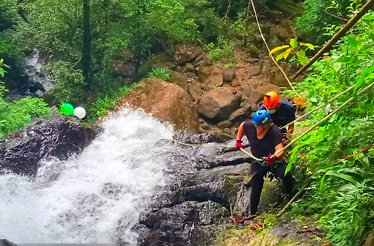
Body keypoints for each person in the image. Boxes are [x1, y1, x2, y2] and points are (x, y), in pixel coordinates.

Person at [235, 109, 294, 219]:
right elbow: (242, 125)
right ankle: (252, 213)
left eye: (259, 126)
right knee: (256, 183)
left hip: (272, 161)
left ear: (266, 125)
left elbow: (280, 150)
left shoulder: (274, 132)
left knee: (285, 174)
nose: (256, 128)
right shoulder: (251, 126)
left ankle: (290, 194)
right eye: (255, 125)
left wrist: (274, 157)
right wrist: (239, 140)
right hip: (257, 161)